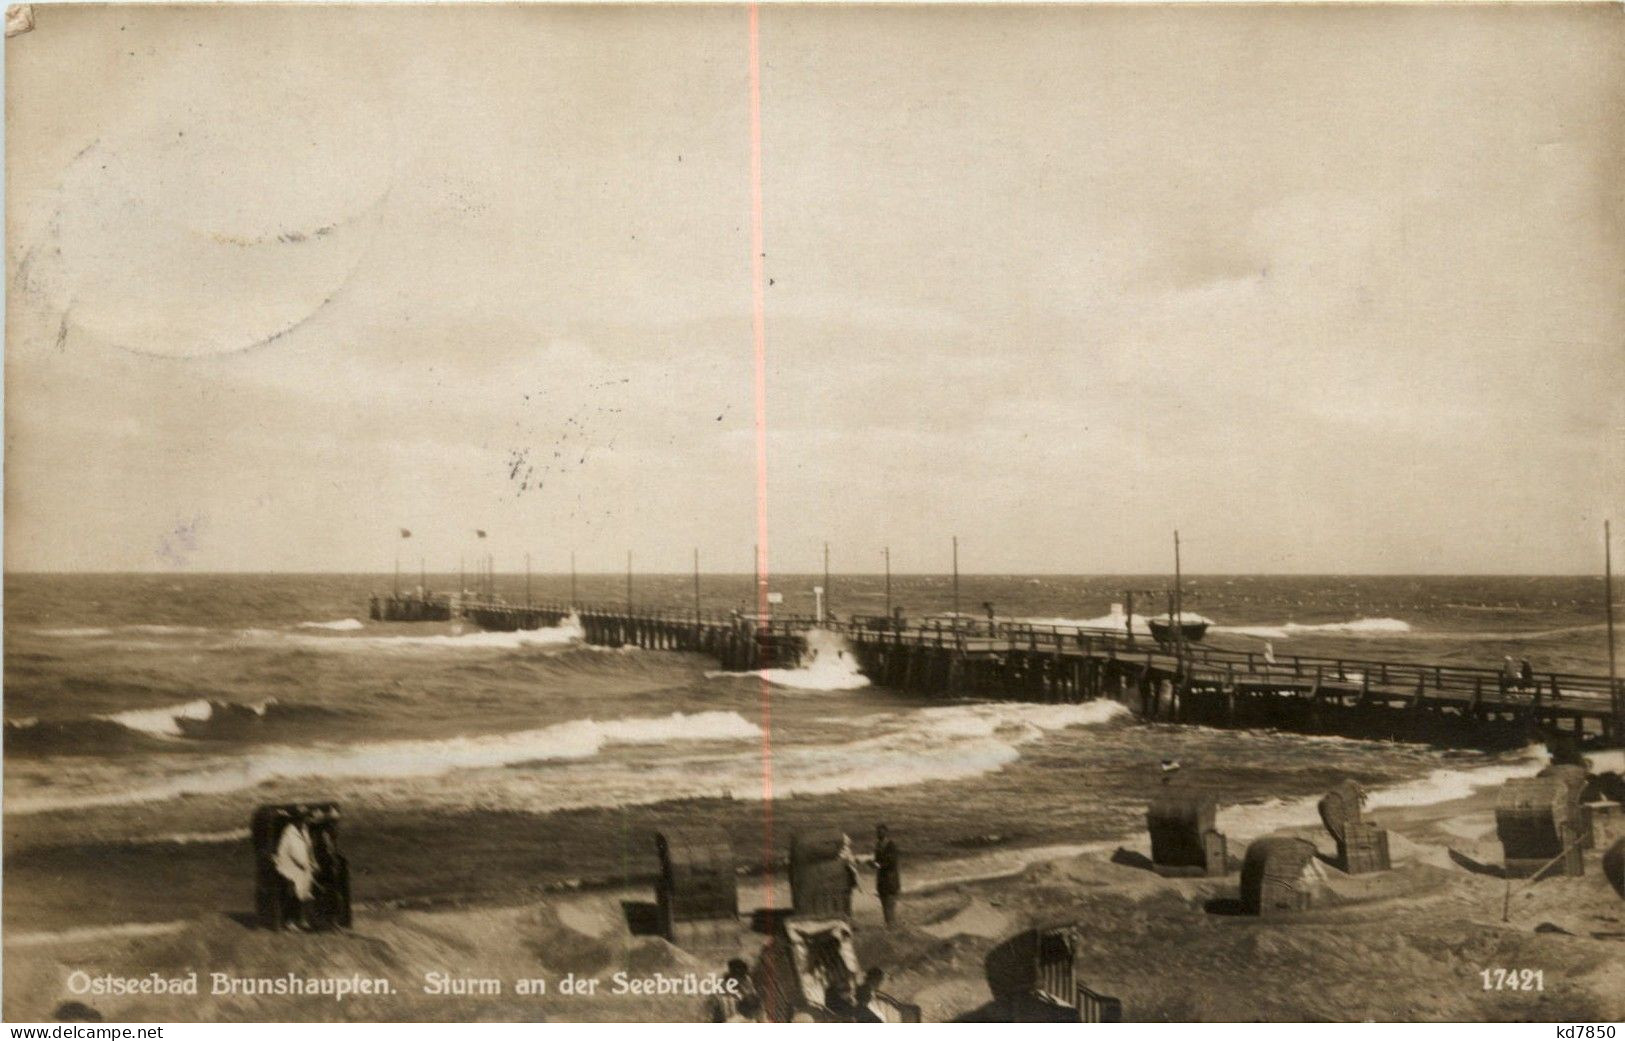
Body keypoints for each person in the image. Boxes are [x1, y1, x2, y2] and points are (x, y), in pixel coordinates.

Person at [273, 809, 317, 930]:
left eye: (306, 819)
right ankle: (289, 922)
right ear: (297, 820)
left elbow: (309, 848)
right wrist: (306, 864)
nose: (305, 822)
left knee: (305, 894)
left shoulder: (304, 830)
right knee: (293, 894)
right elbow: (294, 853)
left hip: (302, 868)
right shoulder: (289, 833)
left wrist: (313, 862)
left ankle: (302, 920)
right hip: (289, 868)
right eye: (304, 819)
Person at [871, 824, 900, 927]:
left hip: (890, 880)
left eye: (880, 832)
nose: (878, 834)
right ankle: (889, 926)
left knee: (889, 906)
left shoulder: (891, 845)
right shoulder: (878, 845)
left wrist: (878, 865)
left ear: (886, 833)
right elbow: (878, 861)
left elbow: (892, 862)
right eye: (878, 832)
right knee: (885, 906)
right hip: (883, 881)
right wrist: (873, 863)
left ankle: (891, 927)